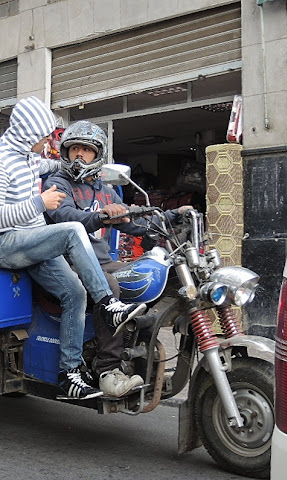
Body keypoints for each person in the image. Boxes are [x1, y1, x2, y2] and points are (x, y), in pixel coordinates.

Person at [0, 97, 147, 401]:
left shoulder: (27, 156)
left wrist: (91, 169)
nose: (48, 144)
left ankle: (68, 374)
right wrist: (40, 203)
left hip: (31, 239)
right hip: (1, 245)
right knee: (72, 230)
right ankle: (108, 304)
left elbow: (60, 165)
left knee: (75, 293)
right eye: (45, 138)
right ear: (29, 135)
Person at [43, 120, 191, 397]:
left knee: (143, 273)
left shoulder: (103, 189)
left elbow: (132, 220)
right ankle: (107, 369)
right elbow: (65, 217)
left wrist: (172, 215)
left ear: (97, 156)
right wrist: (101, 216)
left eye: (86, 150)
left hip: (101, 260)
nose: (79, 155)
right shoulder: (57, 183)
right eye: (74, 149)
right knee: (110, 285)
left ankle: (132, 344)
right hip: (66, 262)